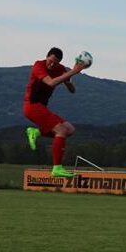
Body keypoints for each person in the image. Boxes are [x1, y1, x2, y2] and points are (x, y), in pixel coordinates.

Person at [24, 47, 86, 178]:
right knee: (61, 131)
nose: (51, 65)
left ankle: (36, 132)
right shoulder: (38, 65)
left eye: (55, 63)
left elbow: (72, 90)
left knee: (69, 129)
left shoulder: (60, 69)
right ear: (46, 57)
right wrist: (73, 71)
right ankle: (57, 168)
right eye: (50, 61)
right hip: (32, 106)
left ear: (59, 63)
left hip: (41, 107)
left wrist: (69, 78)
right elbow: (51, 83)